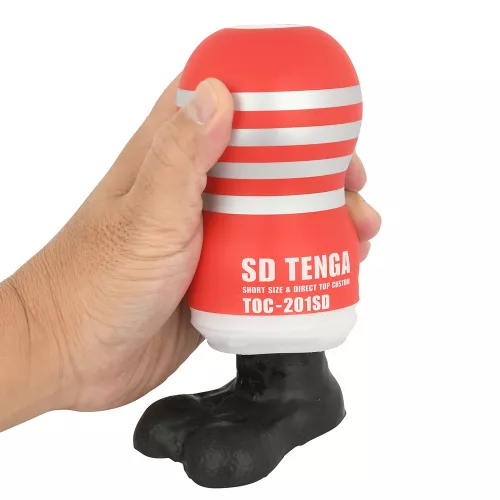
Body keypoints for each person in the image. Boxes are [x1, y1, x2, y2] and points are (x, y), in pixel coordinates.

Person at [0, 77, 381, 432]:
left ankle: (300, 396)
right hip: (281, 272)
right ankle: (260, 391)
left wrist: (53, 335)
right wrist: (55, 334)